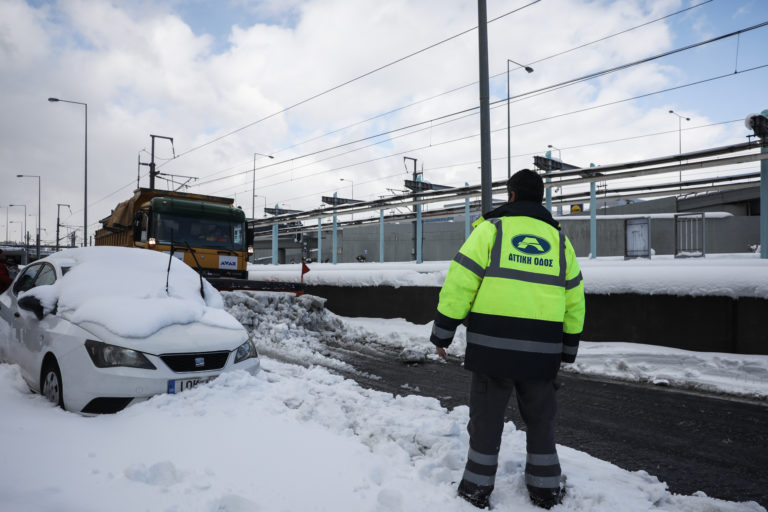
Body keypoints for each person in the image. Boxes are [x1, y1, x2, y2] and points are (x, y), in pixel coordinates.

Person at [430, 169, 585, 509]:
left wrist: (443, 331)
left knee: (486, 420)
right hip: (542, 352)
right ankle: (545, 490)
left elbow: (460, 283)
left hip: (492, 348)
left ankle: (476, 489)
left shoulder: (492, 230)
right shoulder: (560, 241)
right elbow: (575, 297)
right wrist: (568, 347)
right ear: (540, 198)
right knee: (541, 421)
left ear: (511, 196)